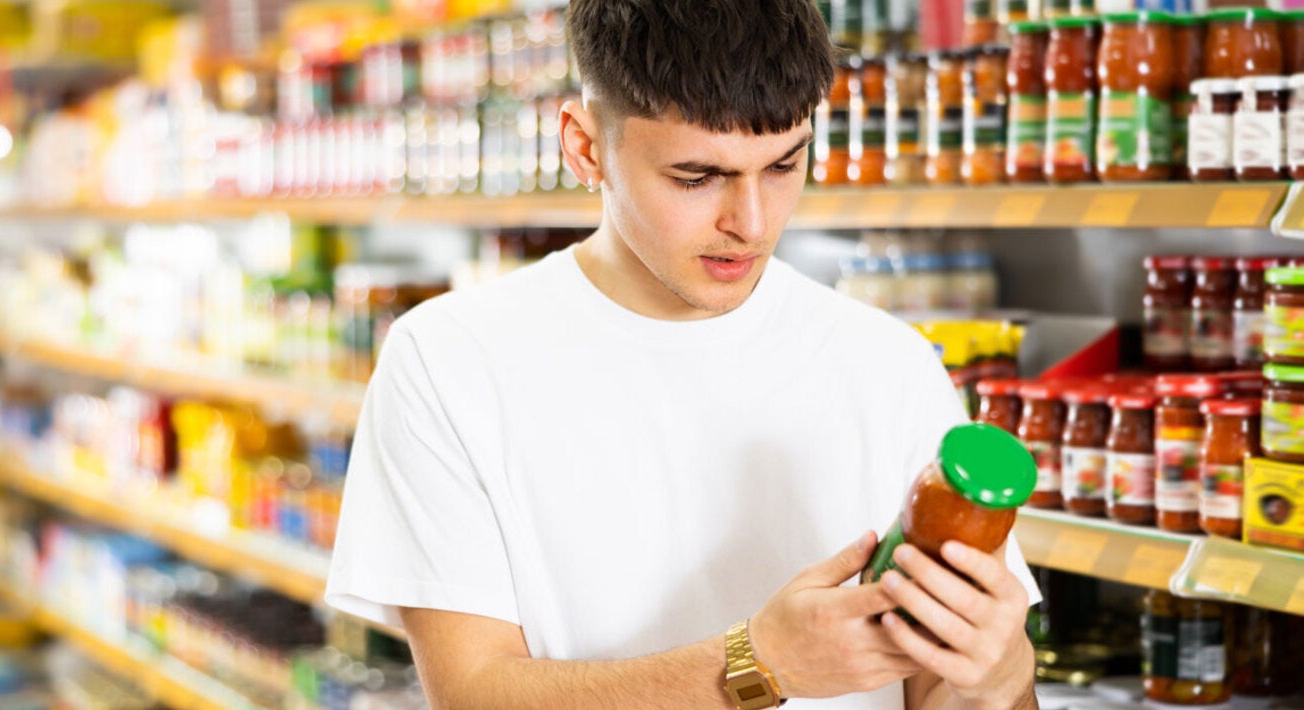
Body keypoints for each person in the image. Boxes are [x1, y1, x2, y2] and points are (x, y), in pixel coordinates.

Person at [326, 0, 1042, 707]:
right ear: (584, 147)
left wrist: (1000, 675)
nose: (751, 223)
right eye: (697, 178)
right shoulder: (450, 361)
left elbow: (949, 694)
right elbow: (474, 695)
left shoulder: (890, 364)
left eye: (785, 164)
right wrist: (758, 665)